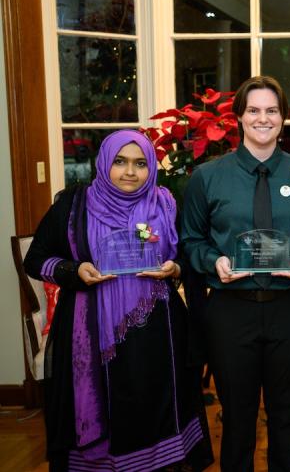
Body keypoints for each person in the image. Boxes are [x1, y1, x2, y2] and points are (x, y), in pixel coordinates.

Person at [24, 129, 213, 471]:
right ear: (104, 163)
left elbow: (189, 255)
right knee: (101, 406)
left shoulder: (165, 203)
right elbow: (35, 260)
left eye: (141, 163)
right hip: (90, 326)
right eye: (120, 162)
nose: (130, 172)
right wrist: (75, 269)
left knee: (151, 406)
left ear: (151, 167)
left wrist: (175, 268)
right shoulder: (73, 204)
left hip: (156, 331)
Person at [181, 75, 290, 472]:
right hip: (231, 311)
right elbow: (190, 241)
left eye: (272, 111)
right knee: (237, 418)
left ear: (283, 118)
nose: (263, 119)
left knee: (288, 415)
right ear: (240, 118)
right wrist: (215, 262)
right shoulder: (207, 178)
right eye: (254, 110)